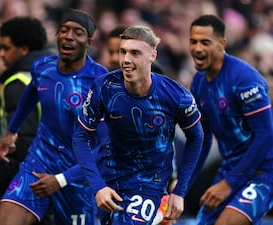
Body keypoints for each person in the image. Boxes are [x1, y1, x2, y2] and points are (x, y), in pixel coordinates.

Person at [73, 25, 204, 225]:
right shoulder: (104, 87)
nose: (126, 59)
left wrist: (179, 191)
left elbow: (196, 137)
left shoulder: (177, 95)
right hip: (109, 184)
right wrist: (98, 186)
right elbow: (81, 137)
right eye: (123, 52)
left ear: (153, 55)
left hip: (149, 185)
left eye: (135, 53)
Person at [0, 9, 108, 225]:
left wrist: (62, 179)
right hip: (39, 162)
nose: (69, 36)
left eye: (78, 32)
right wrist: (12, 131)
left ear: (89, 43)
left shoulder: (100, 81)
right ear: (56, 36)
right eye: (64, 30)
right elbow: (31, 93)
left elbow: (104, 146)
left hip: (78, 176)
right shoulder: (42, 67)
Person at [189, 14, 273, 225]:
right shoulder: (198, 83)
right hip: (231, 168)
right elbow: (203, 139)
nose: (197, 48)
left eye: (205, 42)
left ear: (221, 44)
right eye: (193, 41)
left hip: (264, 171)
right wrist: (184, 183)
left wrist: (228, 183)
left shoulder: (244, 79)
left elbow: (266, 134)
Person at [0, 16, 51, 199]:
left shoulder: (18, 84)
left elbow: (21, 143)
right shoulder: (51, 75)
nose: (0, 54)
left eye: (6, 48)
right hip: (54, 176)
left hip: (29, 184)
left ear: (24, 49)